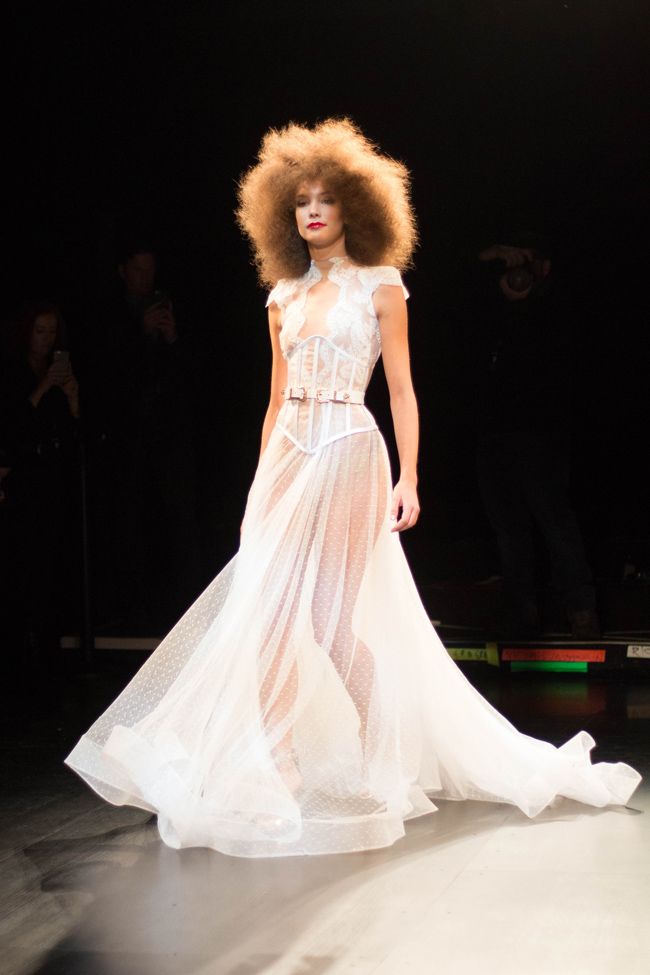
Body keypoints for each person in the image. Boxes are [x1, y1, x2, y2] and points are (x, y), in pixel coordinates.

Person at [64, 120, 640, 858]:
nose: (312, 212)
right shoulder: (281, 295)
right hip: (290, 449)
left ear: (353, 208)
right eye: (301, 201)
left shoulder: (381, 285)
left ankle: (377, 750)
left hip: (348, 448)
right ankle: (277, 761)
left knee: (330, 619)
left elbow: (401, 389)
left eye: (325, 200)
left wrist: (410, 475)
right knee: (266, 610)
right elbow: (274, 400)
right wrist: (258, 484)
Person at [474, 236, 600, 639]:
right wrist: (493, 258)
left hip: (541, 434)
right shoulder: (492, 304)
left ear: (544, 267)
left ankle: (580, 609)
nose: (518, 270)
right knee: (509, 529)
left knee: (554, 521)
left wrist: (524, 299)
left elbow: (556, 355)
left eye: (527, 261)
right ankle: (521, 613)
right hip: (494, 433)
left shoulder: (556, 307)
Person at [84, 242, 202, 630]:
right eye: (138, 270)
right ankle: (128, 611)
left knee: (176, 520)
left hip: (169, 436)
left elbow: (195, 374)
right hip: (125, 438)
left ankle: (182, 608)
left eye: (150, 270)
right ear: (123, 271)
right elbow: (104, 374)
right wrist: (139, 332)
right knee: (126, 524)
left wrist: (172, 336)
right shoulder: (108, 313)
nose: (145, 278)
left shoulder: (169, 304)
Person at [0, 302, 80, 674]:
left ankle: (48, 644)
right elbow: (14, 424)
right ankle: (21, 647)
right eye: (40, 331)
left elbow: (72, 429)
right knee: (23, 561)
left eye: (51, 332)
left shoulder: (58, 371)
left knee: (53, 561)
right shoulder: (13, 371)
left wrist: (71, 395)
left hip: (53, 476)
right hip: (24, 478)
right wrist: (44, 385)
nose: (46, 339)